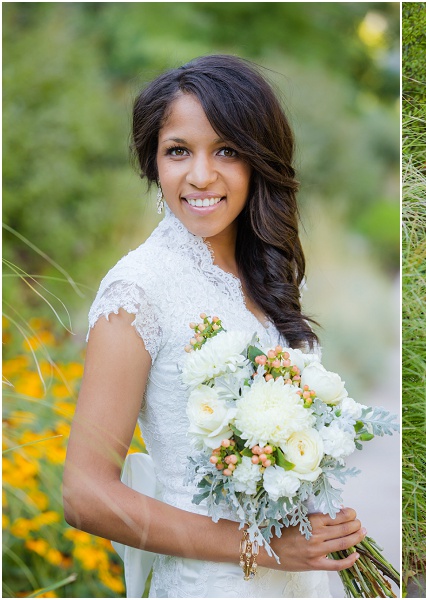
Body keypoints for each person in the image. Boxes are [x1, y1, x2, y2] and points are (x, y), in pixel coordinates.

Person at [62, 55, 365, 597]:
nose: (201, 175)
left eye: (226, 150)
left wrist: (323, 519)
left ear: (258, 160)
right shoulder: (138, 293)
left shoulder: (262, 274)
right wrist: (260, 546)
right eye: (178, 151)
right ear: (154, 164)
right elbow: (85, 494)